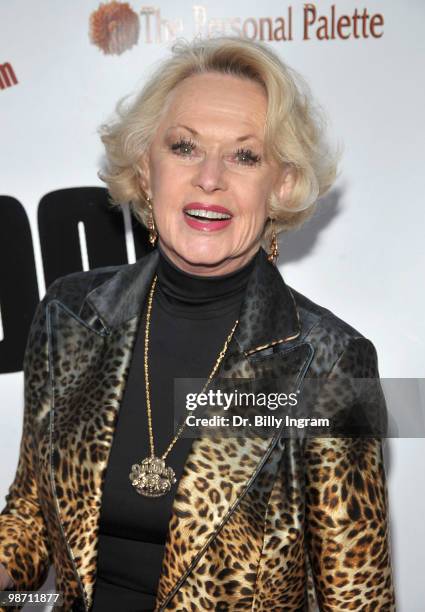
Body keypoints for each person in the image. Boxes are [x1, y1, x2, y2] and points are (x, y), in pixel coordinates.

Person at [0, 36, 395, 611]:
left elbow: (357, 599)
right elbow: (32, 516)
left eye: (244, 155)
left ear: (280, 184)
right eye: (184, 147)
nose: (210, 177)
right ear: (145, 167)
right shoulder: (69, 315)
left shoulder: (333, 364)